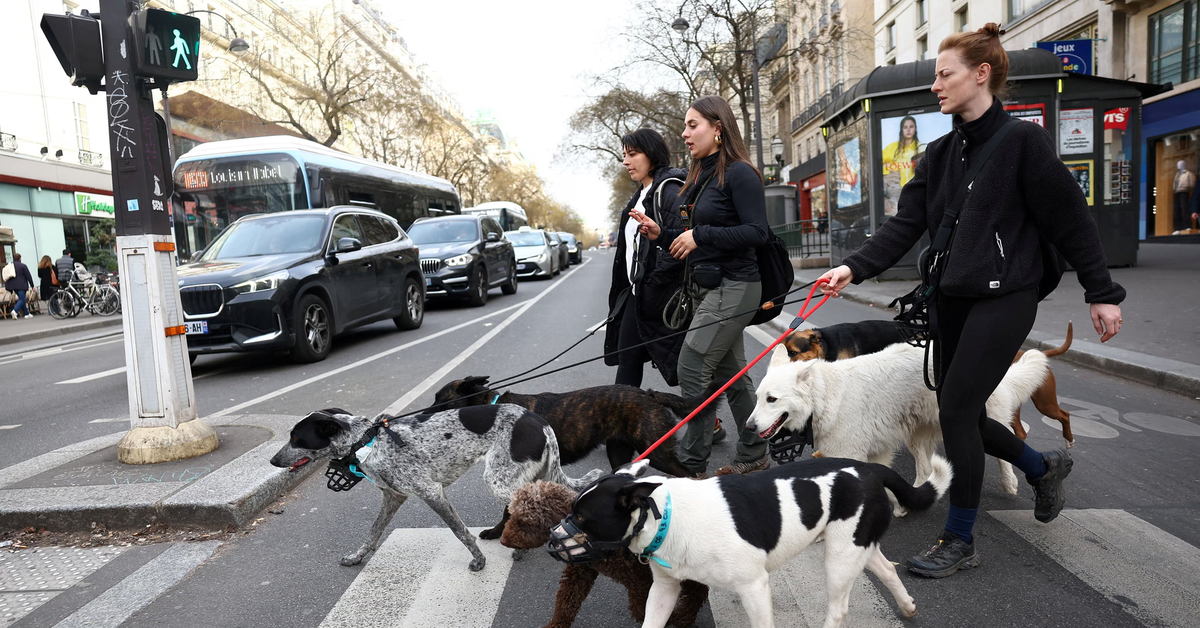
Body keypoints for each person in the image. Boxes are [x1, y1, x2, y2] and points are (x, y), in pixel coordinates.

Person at [817, 23, 1125, 579]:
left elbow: (1072, 220)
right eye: (935, 74)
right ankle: (1041, 467)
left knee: (957, 408)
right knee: (960, 412)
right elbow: (905, 224)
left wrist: (1102, 293)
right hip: (952, 300)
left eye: (945, 74)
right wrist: (852, 267)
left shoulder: (1023, 144)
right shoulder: (937, 155)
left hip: (1008, 296)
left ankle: (960, 537)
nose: (935, 85)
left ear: (981, 74)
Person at [629, 95, 771, 478]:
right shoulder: (701, 174)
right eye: (686, 126)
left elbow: (758, 232)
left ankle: (691, 462)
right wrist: (661, 234)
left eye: (693, 125)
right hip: (708, 288)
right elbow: (689, 237)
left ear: (718, 127)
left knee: (692, 362)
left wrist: (699, 234)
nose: (685, 132)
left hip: (736, 285)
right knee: (732, 377)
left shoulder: (740, 173)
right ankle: (755, 452)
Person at [604, 128, 689, 389]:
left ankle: (708, 421)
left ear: (651, 155)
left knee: (684, 363)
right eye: (624, 155)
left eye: (632, 154)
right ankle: (623, 422)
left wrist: (652, 283)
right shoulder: (638, 197)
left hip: (660, 293)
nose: (625, 161)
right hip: (637, 292)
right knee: (629, 358)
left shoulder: (670, 190)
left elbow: (683, 241)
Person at [3, 253, 36, 319]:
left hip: (13, 286)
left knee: (22, 299)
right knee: (22, 299)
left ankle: (26, 313)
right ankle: (15, 311)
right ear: (20, 258)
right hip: (21, 285)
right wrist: (32, 286)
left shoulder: (10, 266)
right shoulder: (23, 266)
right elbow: (28, 276)